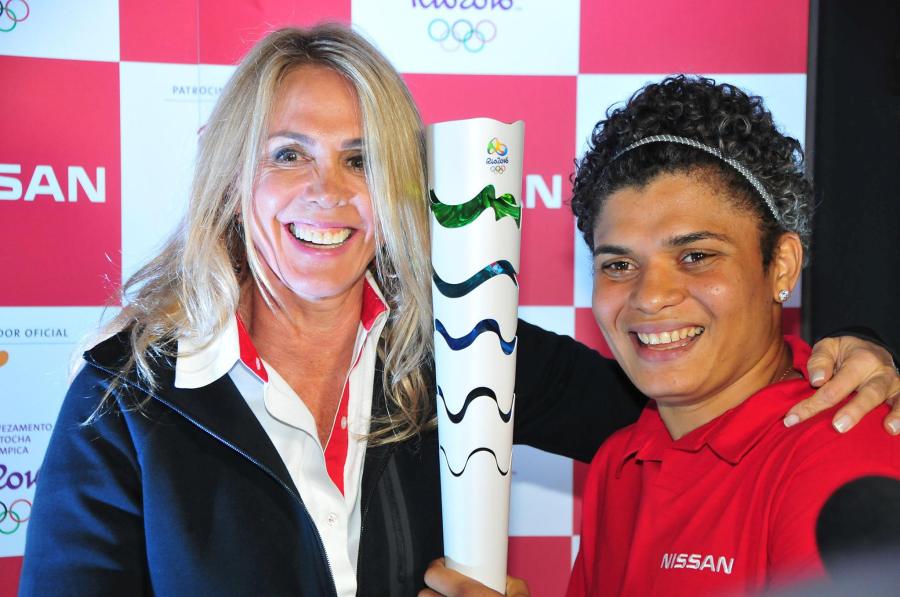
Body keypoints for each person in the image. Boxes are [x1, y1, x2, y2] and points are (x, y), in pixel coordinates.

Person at [18, 27, 899, 597]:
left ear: (400, 188)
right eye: (290, 153)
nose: (327, 193)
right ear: (235, 176)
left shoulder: (459, 344)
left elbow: (680, 385)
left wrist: (834, 361)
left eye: (361, 158)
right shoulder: (125, 394)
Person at [563, 76, 900, 596]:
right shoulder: (619, 462)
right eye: (620, 263)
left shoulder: (844, 444)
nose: (650, 296)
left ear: (781, 266)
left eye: (695, 256)